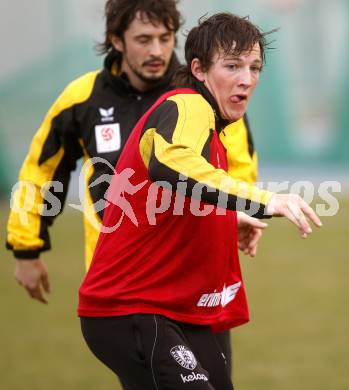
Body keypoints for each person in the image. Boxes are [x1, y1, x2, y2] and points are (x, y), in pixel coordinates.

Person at [6, 0, 258, 375]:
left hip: (196, 279)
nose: (157, 50)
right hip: (125, 283)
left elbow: (236, 165)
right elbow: (42, 172)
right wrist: (27, 248)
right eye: (144, 39)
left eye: (165, 38)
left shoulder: (206, 93)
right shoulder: (83, 98)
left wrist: (238, 212)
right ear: (116, 40)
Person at [78, 12, 322, 390]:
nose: (247, 79)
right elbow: (171, 164)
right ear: (199, 69)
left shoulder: (215, 132)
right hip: (132, 308)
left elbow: (179, 190)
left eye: (254, 67)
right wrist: (262, 200)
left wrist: (226, 219)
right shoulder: (188, 104)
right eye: (232, 66)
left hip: (176, 311)